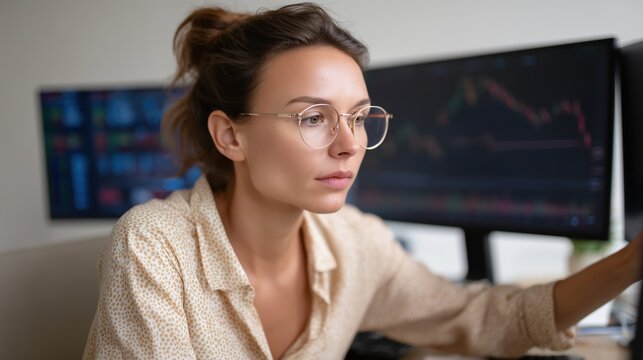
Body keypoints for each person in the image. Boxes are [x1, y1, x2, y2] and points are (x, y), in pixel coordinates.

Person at [82, 2, 643, 359]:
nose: (350, 143)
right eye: (312, 117)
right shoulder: (155, 246)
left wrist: (631, 260)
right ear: (231, 137)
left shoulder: (355, 242)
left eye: (358, 116)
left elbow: (484, 319)